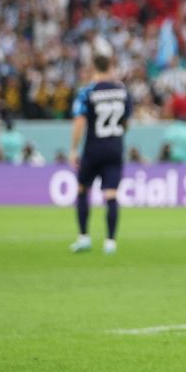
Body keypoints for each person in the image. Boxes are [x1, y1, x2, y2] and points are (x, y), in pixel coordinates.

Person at [68, 53, 131, 255]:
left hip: (93, 148)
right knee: (111, 194)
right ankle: (110, 242)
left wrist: (73, 149)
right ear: (111, 66)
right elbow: (126, 121)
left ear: (93, 67)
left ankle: (84, 237)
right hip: (115, 147)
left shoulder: (87, 92)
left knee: (82, 189)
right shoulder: (122, 91)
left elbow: (80, 121)